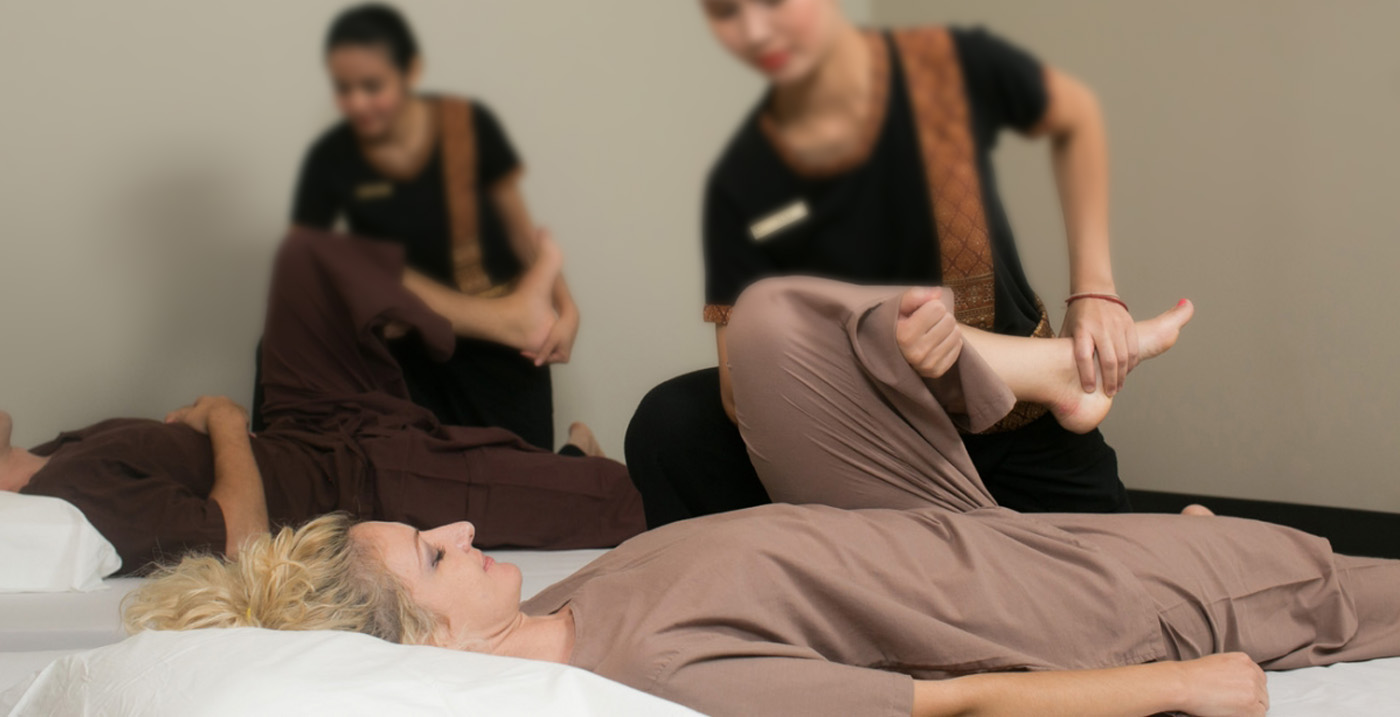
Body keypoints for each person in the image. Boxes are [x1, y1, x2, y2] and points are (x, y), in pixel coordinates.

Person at [123, 279, 1400, 717]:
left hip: (952, 526)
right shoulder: (654, 672)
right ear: (430, 645)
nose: (461, 532)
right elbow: (946, 703)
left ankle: (1042, 375)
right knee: (1320, 580)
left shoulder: (575, 605)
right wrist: (1182, 679)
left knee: (768, 322)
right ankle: (1188, 545)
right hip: (1067, 597)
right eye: (435, 558)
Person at [627, 0, 1139, 526]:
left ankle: (1040, 387)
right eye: (726, 11)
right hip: (860, 443)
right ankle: (1038, 372)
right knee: (670, 423)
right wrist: (886, 354)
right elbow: (740, 397)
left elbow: (1074, 116)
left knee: (1138, 567)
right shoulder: (744, 184)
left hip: (1014, 428)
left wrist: (1094, 291)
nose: (754, 30)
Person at [0, 229, 642, 574]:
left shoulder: (54, 454)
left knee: (309, 261)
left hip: (309, 428)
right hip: (356, 481)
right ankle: (573, 464)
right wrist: (223, 420)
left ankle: (513, 321)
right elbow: (242, 544)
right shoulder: (65, 492)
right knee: (630, 499)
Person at [279, 3, 578, 448]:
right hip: (408, 346)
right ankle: (508, 321)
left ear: (411, 71)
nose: (357, 102)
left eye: (372, 86)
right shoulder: (331, 158)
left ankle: (579, 445)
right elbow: (306, 266)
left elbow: (521, 232)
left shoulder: (467, 126)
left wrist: (568, 311)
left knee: (525, 476)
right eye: (343, 88)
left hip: (494, 356)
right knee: (348, 264)